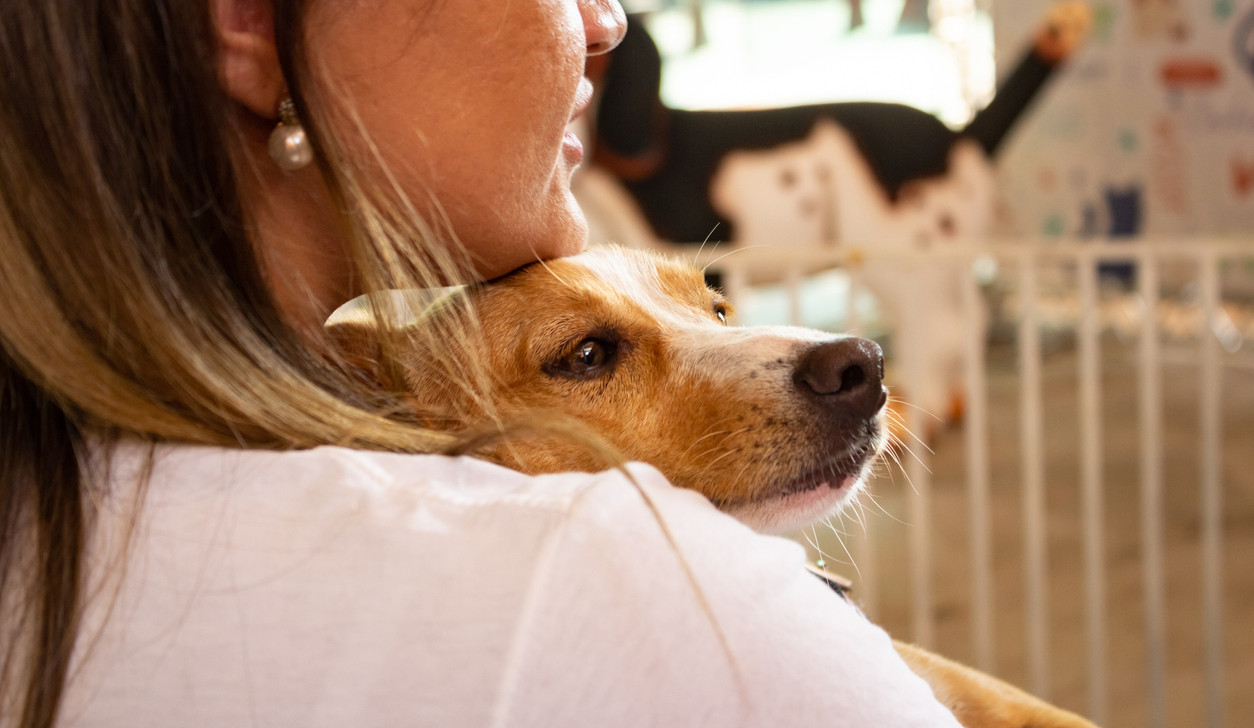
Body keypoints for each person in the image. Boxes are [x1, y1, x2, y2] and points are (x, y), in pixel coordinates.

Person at [0, 2, 963, 726]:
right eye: (589, 355)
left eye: (711, 308)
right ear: (253, 19)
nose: (605, 21)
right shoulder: (622, 592)